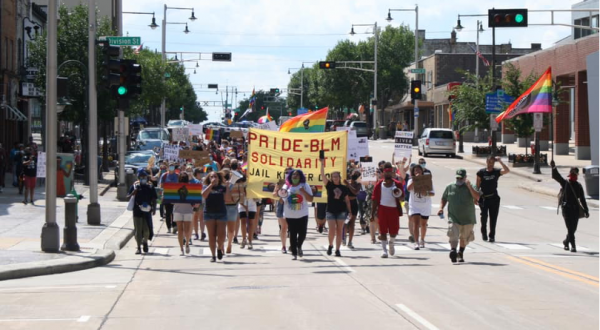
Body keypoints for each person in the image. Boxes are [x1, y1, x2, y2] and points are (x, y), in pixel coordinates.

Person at [438, 169, 480, 263]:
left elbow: (477, 197)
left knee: (464, 238)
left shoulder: (471, 186)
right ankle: (453, 250)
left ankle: (460, 252)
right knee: (453, 234)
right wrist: (441, 208)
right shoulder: (450, 186)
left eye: (461, 178)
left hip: (468, 218)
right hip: (454, 217)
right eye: (457, 177)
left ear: (465, 177)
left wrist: (469, 186)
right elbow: (444, 198)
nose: (459, 179)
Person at [551, 160, 589, 252]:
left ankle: (566, 241)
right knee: (570, 228)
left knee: (573, 229)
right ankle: (573, 246)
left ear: (577, 175)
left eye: (574, 174)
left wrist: (586, 210)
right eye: (572, 173)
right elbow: (556, 176)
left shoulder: (579, 186)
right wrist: (553, 167)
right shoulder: (565, 184)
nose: (573, 175)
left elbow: (582, 199)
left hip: (575, 210)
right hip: (566, 210)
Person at [371, 162, 404, 258]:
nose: (388, 174)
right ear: (383, 173)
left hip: (394, 210)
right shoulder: (379, 184)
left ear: (392, 173)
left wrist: (399, 194)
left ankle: (391, 243)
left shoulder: (397, 184)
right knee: (383, 231)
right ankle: (384, 251)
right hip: (382, 210)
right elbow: (375, 200)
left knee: (394, 232)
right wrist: (372, 214)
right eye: (386, 172)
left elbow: (402, 197)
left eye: (390, 172)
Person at [278, 169, 313, 260]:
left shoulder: (305, 186)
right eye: (293, 175)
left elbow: (311, 199)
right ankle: (294, 253)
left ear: (300, 177)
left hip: (302, 214)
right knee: (292, 234)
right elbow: (281, 201)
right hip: (290, 215)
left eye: (297, 175)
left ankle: (299, 246)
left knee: (303, 234)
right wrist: (282, 194)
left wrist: (303, 191)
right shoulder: (287, 187)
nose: (295, 176)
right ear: (290, 176)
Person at [321, 160, 351, 257]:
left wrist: (350, 211)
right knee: (332, 230)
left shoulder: (344, 188)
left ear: (339, 177)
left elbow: (347, 200)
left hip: (341, 211)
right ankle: (330, 245)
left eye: (337, 176)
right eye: (333, 177)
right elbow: (322, 175)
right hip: (330, 211)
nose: (335, 178)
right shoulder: (329, 185)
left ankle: (337, 250)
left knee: (339, 230)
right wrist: (322, 164)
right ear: (331, 178)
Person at [476, 156, 510, 242]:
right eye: (489, 162)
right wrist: (475, 197)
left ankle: (492, 236)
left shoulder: (496, 172)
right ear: (486, 162)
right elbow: (477, 185)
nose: (491, 164)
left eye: (492, 162)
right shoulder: (481, 172)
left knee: (493, 218)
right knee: (484, 217)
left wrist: (500, 161)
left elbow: (507, 171)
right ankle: (484, 233)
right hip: (484, 198)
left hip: (494, 198)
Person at [202, 171, 230, 262]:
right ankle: (213, 255)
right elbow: (204, 195)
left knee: (221, 235)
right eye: (211, 176)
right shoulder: (206, 187)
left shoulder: (222, 188)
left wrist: (227, 187)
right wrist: (211, 185)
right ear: (209, 178)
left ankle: (219, 248)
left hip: (221, 213)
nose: (213, 178)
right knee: (212, 235)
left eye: (215, 176)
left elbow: (227, 199)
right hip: (209, 213)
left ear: (218, 178)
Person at [127, 170, 157, 254]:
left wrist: (154, 208)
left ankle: (145, 242)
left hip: (147, 211)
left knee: (147, 230)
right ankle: (138, 247)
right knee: (138, 230)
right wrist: (133, 192)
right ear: (138, 178)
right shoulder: (135, 186)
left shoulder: (150, 186)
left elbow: (154, 198)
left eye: (144, 177)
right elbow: (127, 196)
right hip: (137, 211)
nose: (143, 178)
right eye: (141, 177)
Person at [406, 164, 435, 249]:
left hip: (425, 205)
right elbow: (408, 189)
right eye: (416, 170)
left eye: (419, 170)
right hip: (415, 206)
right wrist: (416, 180)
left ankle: (422, 239)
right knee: (416, 223)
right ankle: (416, 242)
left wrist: (426, 193)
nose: (417, 171)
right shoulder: (411, 180)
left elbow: (432, 193)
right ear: (413, 172)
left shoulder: (427, 180)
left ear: (422, 171)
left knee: (423, 224)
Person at [173, 172, 195, 255]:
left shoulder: (190, 188)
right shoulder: (176, 188)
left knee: (184, 230)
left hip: (185, 210)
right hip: (182, 210)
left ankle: (185, 245)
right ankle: (183, 247)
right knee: (182, 230)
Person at [273, 167, 293, 254]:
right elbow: (274, 194)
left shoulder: (295, 182)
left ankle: (292, 245)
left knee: (292, 227)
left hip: (292, 205)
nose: (288, 174)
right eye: (286, 172)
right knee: (284, 227)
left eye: (290, 172)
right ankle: (283, 246)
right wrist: (279, 194)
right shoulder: (280, 182)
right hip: (281, 205)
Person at [159, 163, 179, 234]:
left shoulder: (177, 175)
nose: (171, 168)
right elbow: (161, 186)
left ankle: (174, 226)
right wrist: (161, 196)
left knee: (174, 212)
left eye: (172, 166)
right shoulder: (164, 176)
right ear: (168, 167)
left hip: (175, 197)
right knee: (168, 213)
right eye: (170, 166)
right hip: (167, 196)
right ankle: (169, 227)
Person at [345, 169, 362, 249]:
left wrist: (348, 185)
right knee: (345, 222)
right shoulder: (346, 182)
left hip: (353, 203)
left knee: (352, 223)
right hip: (345, 203)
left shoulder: (358, 184)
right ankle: (344, 237)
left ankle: (350, 241)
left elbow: (355, 192)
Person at [191, 168, 206, 241]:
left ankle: (202, 233)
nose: (201, 175)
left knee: (201, 217)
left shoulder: (204, 181)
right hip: (193, 202)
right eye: (199, 173)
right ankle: (196, 233)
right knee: (195, 218)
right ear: (196, 174)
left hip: (202, 201)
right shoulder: (192, 181)